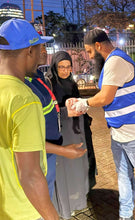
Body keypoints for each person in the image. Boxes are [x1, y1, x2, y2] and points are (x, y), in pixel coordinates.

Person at [73, 29, 135, 220]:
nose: (90, 57)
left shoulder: (116, 61)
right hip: (120, 134)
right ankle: (125, 216)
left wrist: (84, 103)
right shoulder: (112, 61)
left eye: (90, 52)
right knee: (124, 178)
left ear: (98, 46)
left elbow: (106, 97)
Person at [0, 18, 59, 219]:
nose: (40, 56)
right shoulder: (25, 100)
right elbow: (31, 176)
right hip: (21, 211)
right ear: (29, 51)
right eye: (38, 48)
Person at [24, 41, 87, 199]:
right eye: (40, 47)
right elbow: (25, 139)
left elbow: (51, 110)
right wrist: (62, 150)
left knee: (50, 187)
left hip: (55, 145)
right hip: (45, 150)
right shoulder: (25, 84)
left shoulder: (39, 79)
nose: (44, 51)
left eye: (45, 47)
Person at [46, 51, 97, 219]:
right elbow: (50, 111)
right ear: (55, 67)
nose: (65, 70)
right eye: (61, 67)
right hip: (61, 132)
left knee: (78, 165)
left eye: (68, 67)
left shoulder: (71, 82)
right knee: (64, 169)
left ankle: (76, 198)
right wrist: (65, 110)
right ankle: (64, 205)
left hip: (76, 129)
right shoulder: (49, 84)